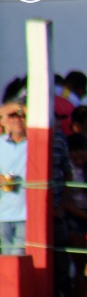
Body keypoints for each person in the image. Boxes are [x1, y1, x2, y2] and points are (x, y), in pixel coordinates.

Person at [0, 101, 27, 255]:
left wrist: (19, 107)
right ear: (3, 120)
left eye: (22, 116)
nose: (17, 119)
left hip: (25, 214)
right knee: (5, 261)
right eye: (12, 116)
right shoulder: (0, 143)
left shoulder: (34, 142)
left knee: (18, 257)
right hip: (3, 213)